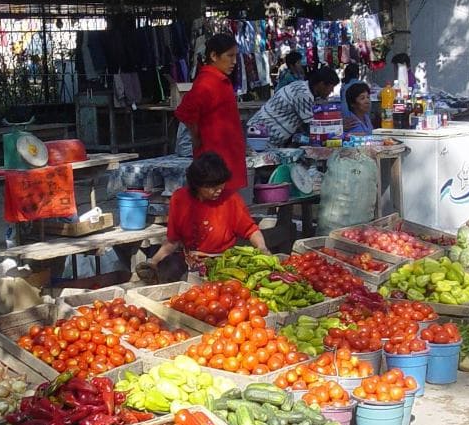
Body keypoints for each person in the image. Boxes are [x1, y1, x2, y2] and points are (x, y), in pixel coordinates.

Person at [145, 152, 269, 281]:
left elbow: (251, 229)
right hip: (190, 261)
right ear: (197, 185)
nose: (219, 190)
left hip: (224, 263)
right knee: (169, 269)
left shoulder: (231, 199)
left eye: (222, 185)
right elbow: (173, 241)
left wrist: (262, 248)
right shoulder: (180, 198)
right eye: (213, 187)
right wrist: (153, 263)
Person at [175, 34, 247, 193]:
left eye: (235, 56)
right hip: (214, 161)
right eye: (229, 56)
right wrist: (196, 137)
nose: (234, 61)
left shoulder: (220, 80)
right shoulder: (206, 83)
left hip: (227, 157)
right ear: (214, 56)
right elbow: (186, 113)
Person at [247, 66, 341, 147]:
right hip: (262, 134)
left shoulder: (302, 86)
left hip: (263, 133)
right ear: (321, 84)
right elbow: (313, 128)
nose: (332, 91)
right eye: (331, 87)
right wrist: (338, 129)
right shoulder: (303, 95)